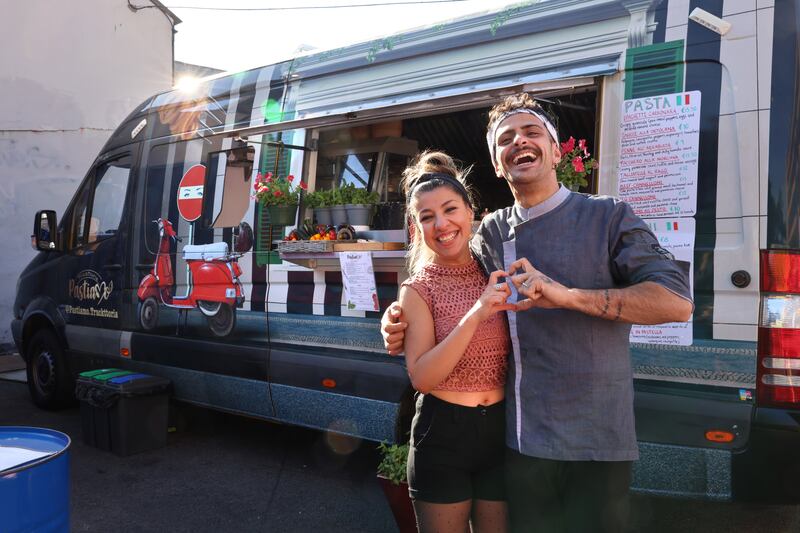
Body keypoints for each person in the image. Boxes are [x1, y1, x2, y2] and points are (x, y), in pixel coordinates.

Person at [382, 93, 693, 533]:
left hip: (597, 443)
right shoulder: (490, 233)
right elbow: (444, 277)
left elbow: (676, 302)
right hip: (522, 444)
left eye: (531, 132)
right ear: (496, 163)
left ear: (555, 147)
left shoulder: (608, 216)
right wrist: (398, 318)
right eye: (505, 138)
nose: (519, 142)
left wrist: (567, 296)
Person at [398, 150, 514, 533]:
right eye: (427, 217)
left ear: (470, 212)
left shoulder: (495, 267)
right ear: (416, 229)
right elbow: (422, 379)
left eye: (450, 210)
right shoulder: (417, 289)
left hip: (500, 429)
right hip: (443, 434)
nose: (441, 224)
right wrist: (476, 313)